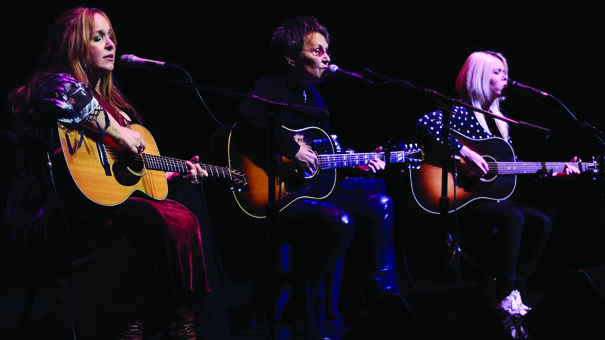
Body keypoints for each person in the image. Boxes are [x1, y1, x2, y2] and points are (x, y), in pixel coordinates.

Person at [6, 7, 210, 339]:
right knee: (156, 219)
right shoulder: (51, 85)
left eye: (111, 37)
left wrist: (171, 176)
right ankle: (128, 326)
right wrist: (117, 132)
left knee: (176, 215)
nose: (111, 44)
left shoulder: (112, 103)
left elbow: (119, 175)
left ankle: (179, 325)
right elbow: (66, 94)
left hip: (103, 204)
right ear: (73, 46)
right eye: (98, 38)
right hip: (62, 217)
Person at [234, 16, 399, 334]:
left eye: (328, 51)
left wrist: (353, 163)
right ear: (292, 56)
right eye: (318, 50)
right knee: (338, 221)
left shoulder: (316, 98)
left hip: (309, 194)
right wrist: (291, 149)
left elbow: (320, 161)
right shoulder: (272, 85)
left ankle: (384, 306)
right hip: (275, 199)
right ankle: (302, 305)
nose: (327, 57)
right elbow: (245, 120)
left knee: (379, 204)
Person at [415, 51, 579, 317]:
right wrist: (465, 152)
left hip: (491, 198)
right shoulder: (460, 111)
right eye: (497, 72)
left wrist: (556, 173)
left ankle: (516, 291)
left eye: (506, 72)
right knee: (512, 216)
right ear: (479, 76)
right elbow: (426, 124)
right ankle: (503, 296)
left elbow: (512, 171)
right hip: (462, 197)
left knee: (541, 222)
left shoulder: (499, 122)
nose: (505, 78)